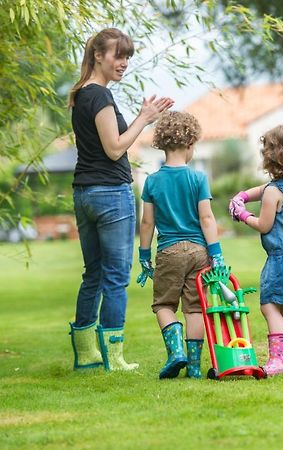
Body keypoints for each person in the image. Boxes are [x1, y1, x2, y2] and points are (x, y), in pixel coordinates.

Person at [67, 28, 174, 371]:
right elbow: (114, 149)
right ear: (98, 55)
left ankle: (86, 354)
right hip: (110, 195)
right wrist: (144, 118)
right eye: (118, 55)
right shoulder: (99, 97)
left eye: (127, 56)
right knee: (114, 276)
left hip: (85, 194)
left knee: (94, 274)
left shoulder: (82, 95)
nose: (124, 63)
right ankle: (113, 357)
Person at [137, 111, 227, 379]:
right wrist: (216, 253)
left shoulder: (152, 181)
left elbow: (146, 223)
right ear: (190, 144)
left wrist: (144, 256)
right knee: (195, 309)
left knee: (164, 305)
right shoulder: (198, 178)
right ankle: (195, 368)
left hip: (169, 251)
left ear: (162, 144)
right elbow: (207, 218)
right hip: (199, 251)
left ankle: (176, 352)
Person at [229, 125, 283, 376]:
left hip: (280, 260)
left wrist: (243, 214)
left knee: (269, 306)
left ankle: (280, 361)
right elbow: (263, 189)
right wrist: (242, 195)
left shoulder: (273, 192)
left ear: (271, 155)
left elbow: (264, 225)